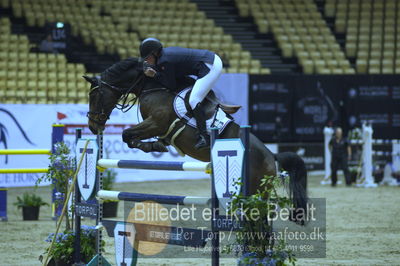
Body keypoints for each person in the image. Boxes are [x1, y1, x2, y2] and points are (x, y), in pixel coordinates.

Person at [139, 37, 223, 150]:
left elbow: (171, 85)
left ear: (154, 53)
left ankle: (204, 136)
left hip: (210, 65)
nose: (147, 61)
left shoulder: (165, 60)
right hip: (205, 61)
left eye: (147, 58)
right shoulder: (162, 57)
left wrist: (154, 75)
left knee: (194, 99)